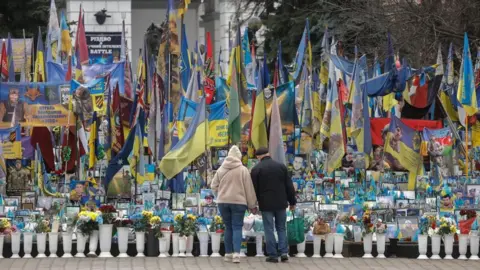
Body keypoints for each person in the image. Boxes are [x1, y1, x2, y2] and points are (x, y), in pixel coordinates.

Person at [211, 145, 257, 264]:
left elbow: (213, 186)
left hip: (223, 202)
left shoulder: (221, 169)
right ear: (239, 157)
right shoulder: (243, 170)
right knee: (237, 227)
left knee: (228, 227)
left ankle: (227, 254)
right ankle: (236, 254)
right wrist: (252, 205)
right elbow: (249, 189)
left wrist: (220, 195)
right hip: (239, 203)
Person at [251, 147, 296, 263]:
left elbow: (254, 190)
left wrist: (253, 204)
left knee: (269, 229)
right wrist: (292, 202)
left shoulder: (256, 169)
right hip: (281, 203)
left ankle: (273, 255)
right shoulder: (281, 167)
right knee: (281, 228)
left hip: (266, 204)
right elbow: (289, 186)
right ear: (269, 154)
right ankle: (284, 252)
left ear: (258, 157)